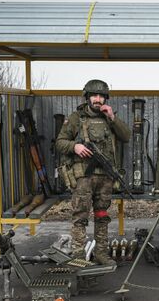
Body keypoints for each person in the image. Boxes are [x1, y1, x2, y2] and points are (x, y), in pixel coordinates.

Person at [56, 79, 131, 265]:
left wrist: (113, 118)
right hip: (83, 176)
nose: (98, 99)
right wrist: (75, 147)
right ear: (87, 97)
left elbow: (126, 136)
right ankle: (78, 256)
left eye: (101, 96)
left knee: (102, 216)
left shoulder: (110, 117)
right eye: (94, 96)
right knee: (80, 217)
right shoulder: (75, 118)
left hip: (105, 176)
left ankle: (101, 254)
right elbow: (59, 142)